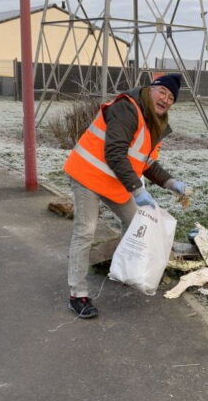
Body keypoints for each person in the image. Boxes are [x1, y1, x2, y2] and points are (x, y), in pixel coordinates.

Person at [62, 74, 190, 318]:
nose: (166, 99)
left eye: (171, 97)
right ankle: (77, 295)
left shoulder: (155, 121)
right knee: (85, 231)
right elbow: (115, 153)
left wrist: (171, 183)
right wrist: (138, 190)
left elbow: (146, 163)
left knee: (134, 222)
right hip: (87, 174)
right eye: (162, 92)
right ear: (150, 90)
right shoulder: (127, 108)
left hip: (113, 179)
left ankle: (123, 269)